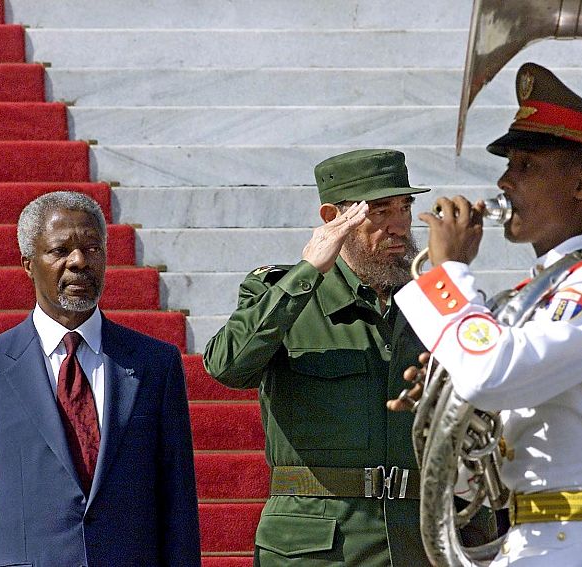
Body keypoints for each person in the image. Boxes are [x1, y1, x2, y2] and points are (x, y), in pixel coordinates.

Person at [390, 63, 582, 566]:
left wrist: (449, 271)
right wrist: (445, 394)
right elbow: (473, 473)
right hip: (535, 544)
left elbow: (493, 373)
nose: (503, 180)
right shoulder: (535, 296)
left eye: (525, 166)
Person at [204, 149, 496, 566]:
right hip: (319, 550)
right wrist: (306, 271)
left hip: (419, 544)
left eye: (405, 206)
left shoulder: (430, 301)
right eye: (379, 210)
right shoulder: (283, 295)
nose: (399, 225)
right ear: (332, 217)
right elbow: (226, 366)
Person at [0, 191, 200, 566]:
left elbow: (178, 506)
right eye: (60, 251)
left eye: (93, 249)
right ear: (28, 264)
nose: (79, 262)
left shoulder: (155, 364)